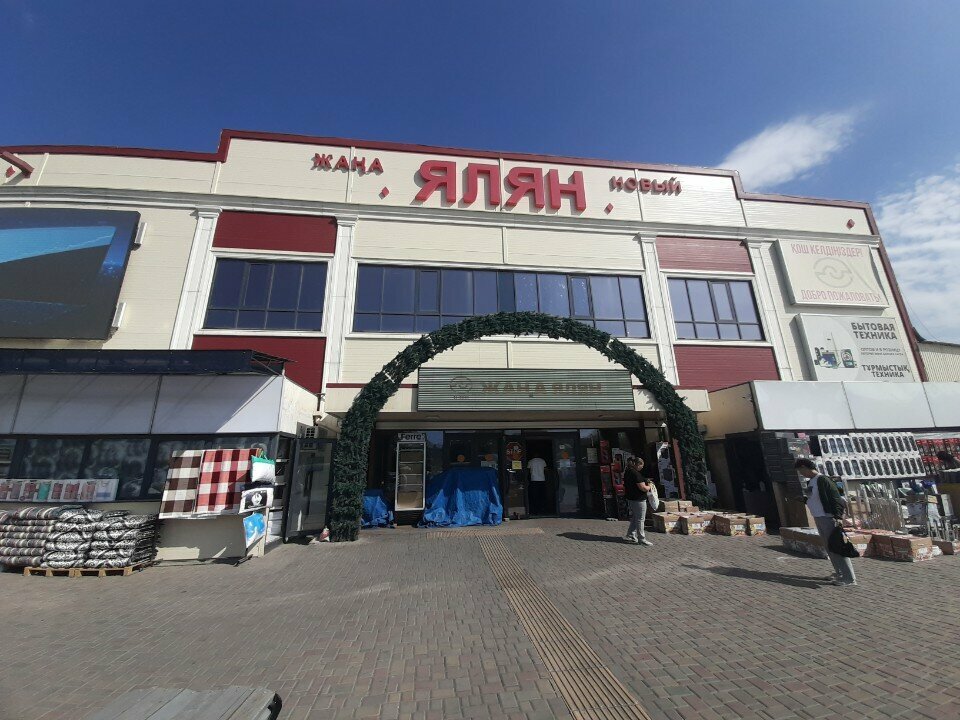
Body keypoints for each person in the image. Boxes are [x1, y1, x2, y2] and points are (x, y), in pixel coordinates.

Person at [794, 458, 856, 586]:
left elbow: (836, 498)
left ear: (805, 467)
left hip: (828, 517)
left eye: (801, 471)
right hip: (819, 516)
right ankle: (839, 573)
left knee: (836, 546)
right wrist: (804, 500)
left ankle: (849, 578)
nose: (801, 474)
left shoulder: (823, 480)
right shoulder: (811, 481)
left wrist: (838, 517)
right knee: (830, 548)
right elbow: (814, 498)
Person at [624, 457, 653, 546]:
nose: (642, 467)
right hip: (638, 499)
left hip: (631, 498)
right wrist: (650, 487)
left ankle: (631, 534)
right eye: (642, 465)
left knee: (635, 517)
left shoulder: (628, 472)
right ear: (638, 464)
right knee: (640, 519)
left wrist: (645, 480)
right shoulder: (635, 474)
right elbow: (643, 488)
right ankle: (642, 538)